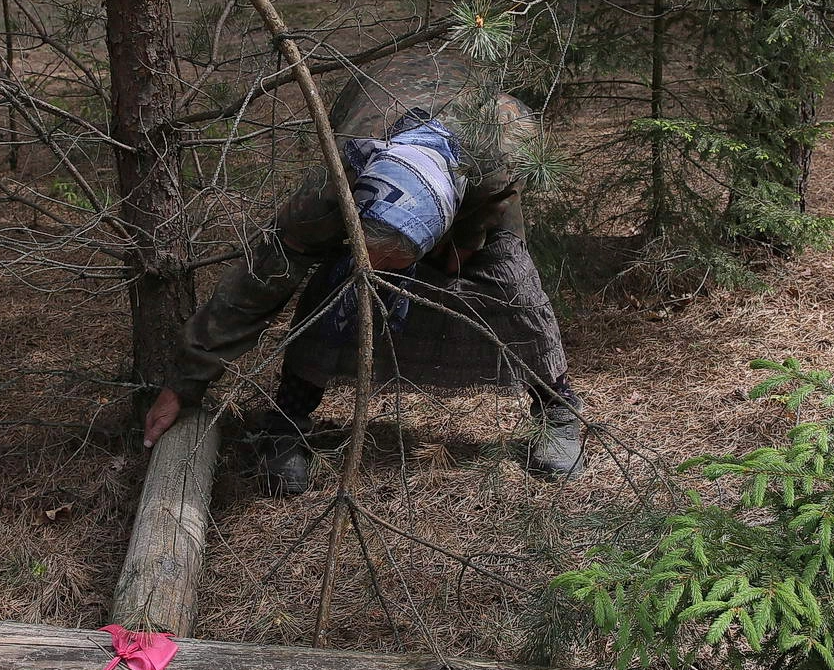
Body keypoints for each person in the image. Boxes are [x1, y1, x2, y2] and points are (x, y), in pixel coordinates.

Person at [140, 48, 586, 494]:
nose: (377, 273)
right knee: (338, 287)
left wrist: (466, 244)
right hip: (378, 105)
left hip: (477, 167)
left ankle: (557, 410)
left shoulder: (498, 143)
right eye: (369, 256)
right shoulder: (331, 193)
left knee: (508, 282)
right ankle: (287, 421)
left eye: (393, 263)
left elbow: (494, 198)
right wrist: (185, 383)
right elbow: (258, 284)